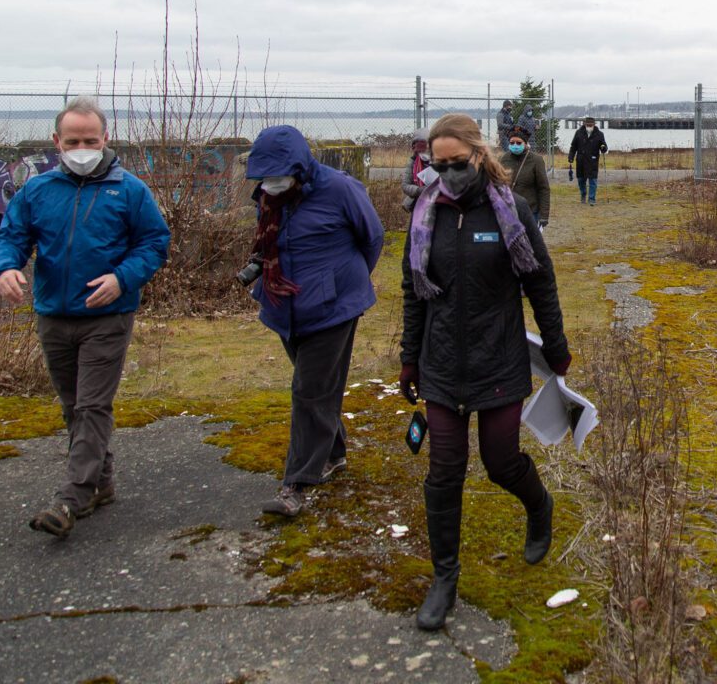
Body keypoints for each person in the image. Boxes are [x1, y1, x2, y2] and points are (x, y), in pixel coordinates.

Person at [399, 113, 572, 631]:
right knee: (444, 471)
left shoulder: (509, 211)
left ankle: (538, 506)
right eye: (438, 164)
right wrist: (410, 356)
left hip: (498, 357)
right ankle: (444, 578)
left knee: (501, 463)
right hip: (442, 362)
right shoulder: (423, 213)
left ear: (479, 156)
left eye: (457, 163)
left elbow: (540, 284)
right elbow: (413, 290)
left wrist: (557, 348)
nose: (448, 173)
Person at [0, 97, 171, 538]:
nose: (83, 147)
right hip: (53, 314)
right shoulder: (37, 191)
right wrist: (4, 269)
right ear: (57, 142)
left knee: (92, 406)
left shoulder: (129, 191)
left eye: (91, 139)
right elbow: (11, 237)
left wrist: (122, 278)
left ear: (106, 138)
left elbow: (153, 243)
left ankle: (70, 500)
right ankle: (101, 482)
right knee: (73, 407)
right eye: (74, 140)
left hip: (108, 316)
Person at [245, 125, 385, 517]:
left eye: (278, 174)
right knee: (318, 389)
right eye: (264, 176)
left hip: (333, 307)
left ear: (301, 166)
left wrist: (342, 282)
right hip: (283, 305)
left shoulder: (340, 189)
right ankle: (334, 453)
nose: (271, 183)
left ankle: (296, 484)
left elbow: (372, 238)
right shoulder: (270, 197)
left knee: (308, 390)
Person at [502, 124, 550, 229]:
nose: (515, 145)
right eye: (512, 143)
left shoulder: (536, 160)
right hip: (508, 210)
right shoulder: (504, 159)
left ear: (525, 143)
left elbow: (543, 188)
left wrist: (544, 215)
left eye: (518, 143)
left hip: (530, 211)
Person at [567, 116, 608, 206]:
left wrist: (603, 148)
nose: (589, 126)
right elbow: (573, 147)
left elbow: (604, 147)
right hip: (581, 160)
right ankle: (583, 194)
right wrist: (571, 156)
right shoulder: (578, 133)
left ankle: (592, 198)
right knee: (581, 180)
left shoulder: (599, 134)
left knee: (593, 180)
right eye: (587, 124)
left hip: (593, 160)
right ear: (584, 124)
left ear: (594, 125)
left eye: (591, 125)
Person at [401, 129, 430, 211]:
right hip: (418, 203)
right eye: (419, 151)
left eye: (425, 150)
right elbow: (405, 185)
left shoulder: (440, 161)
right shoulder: (412, 162)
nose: (422, 153)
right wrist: (419, 190)